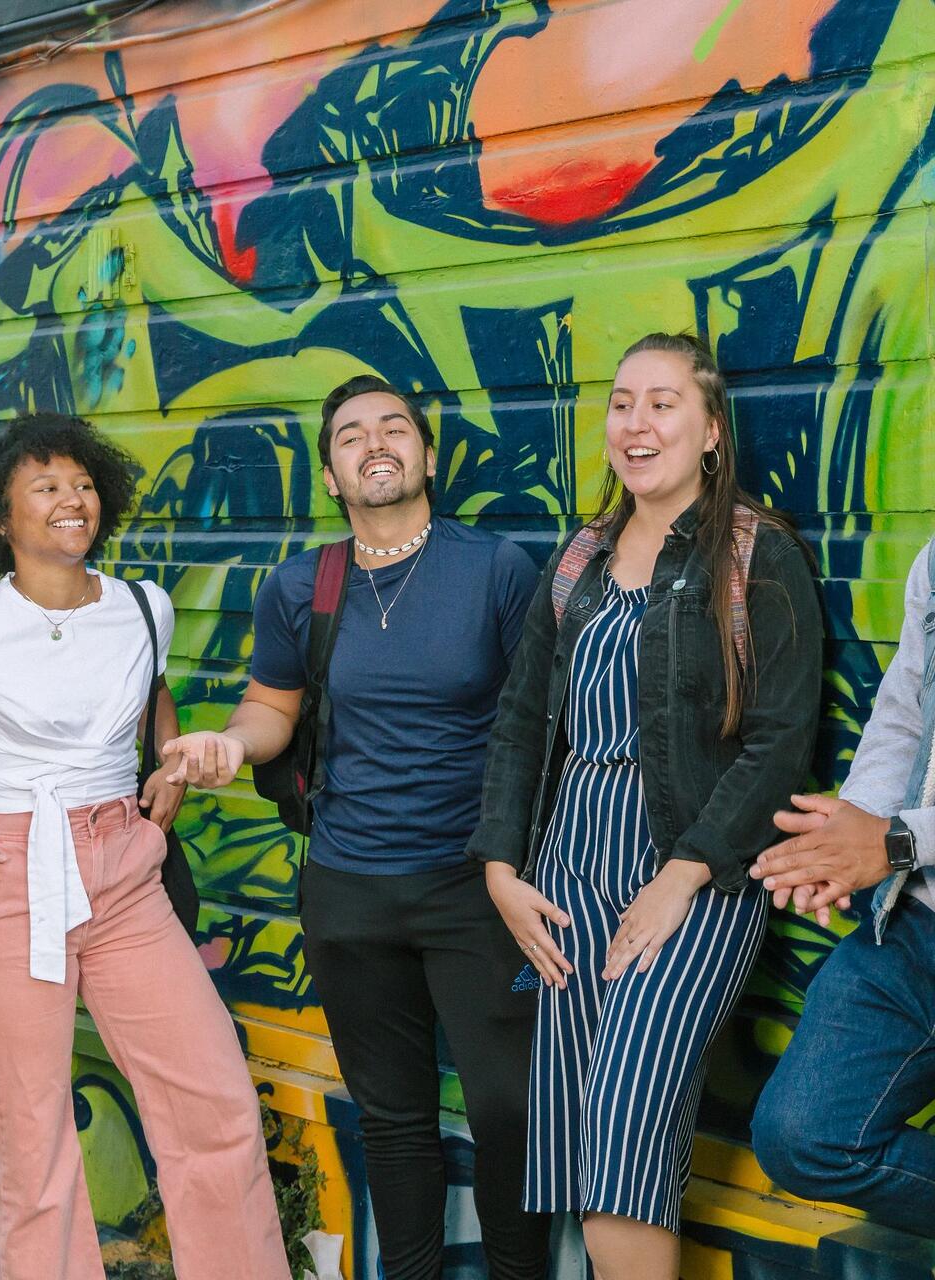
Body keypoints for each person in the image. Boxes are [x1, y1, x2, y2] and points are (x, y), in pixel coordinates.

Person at [162, 375, 551, 1280]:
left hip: (473, 889)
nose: (375, 443)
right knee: (394, 1117)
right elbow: (273, 710)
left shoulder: (495, 569)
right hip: (346, 890)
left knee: (509, 1110)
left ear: (424, 452)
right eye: (350, 436)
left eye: (394, 428)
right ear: (333, 475)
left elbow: (536, 727)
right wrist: (228, 743)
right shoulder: (302, 585)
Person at [466, 333, 823, 1280]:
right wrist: (502, 867)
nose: (637, 423)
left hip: (691, 868)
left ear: (710, 430)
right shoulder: (577, 559)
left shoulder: (759, 554)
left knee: (624, 1122)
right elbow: (521, 718)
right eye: (623, 403)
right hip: (568, 870)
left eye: (663, 403)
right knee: (587, 1134)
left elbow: (782, 738)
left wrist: (684, 874)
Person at [0, 413, 291, 1280]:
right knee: (29, 1134)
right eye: (44, 487)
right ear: (1, 517)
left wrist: (172, 775)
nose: (70, 500)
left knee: (214, 1101)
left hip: (124, 874)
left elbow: (155, 721)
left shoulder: (141, 607)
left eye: (81, 484)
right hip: (10, 880)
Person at [750, 535, 935, 1236]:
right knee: (805, 1137)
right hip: (913, 924)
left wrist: (895, 842)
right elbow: (902, 718)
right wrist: (848, 839)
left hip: (908, 861)